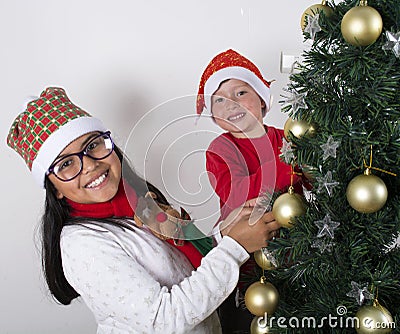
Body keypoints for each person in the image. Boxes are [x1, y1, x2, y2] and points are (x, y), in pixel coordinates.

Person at [6, 86, 280, 334]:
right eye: (66, 164)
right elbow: (165, 320)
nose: (89, 165)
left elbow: (184, 271)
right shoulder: (81, 245)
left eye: (93, 145)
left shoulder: (140, 204)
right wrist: (234, 247)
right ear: (53, 188)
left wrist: (225, 234)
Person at [196, 49, 308, 333]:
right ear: (213, 115)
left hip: (298, 256)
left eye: (241, 92)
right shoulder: (220, 150)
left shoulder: (288, 138)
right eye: (219, 99)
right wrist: (289, 162)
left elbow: (315, 181)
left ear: (261, 98)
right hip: (247, 266)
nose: (231, 103)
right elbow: (240, 194)